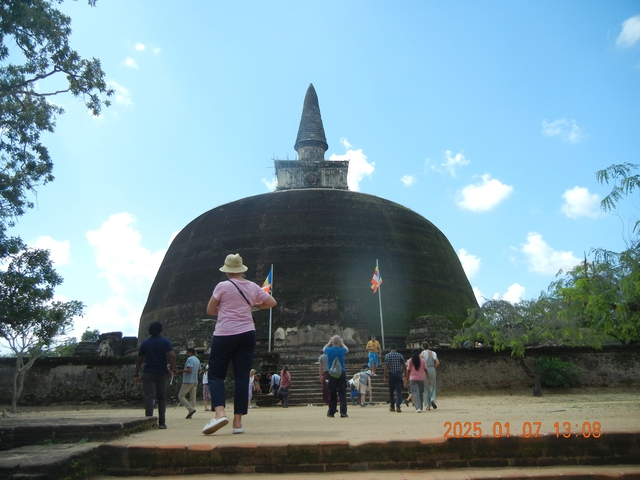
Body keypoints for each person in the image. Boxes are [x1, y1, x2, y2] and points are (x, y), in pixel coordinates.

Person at [202, 253, 277, 435]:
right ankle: (237, 423)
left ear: (227, 271)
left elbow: (210, 310)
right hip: (247, 333)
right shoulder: (252, 287)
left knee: (215, 375)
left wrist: (224, 310)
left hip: (225, 333)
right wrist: (255, 307)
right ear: (241, 269)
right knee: (242, 377)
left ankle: (220, 413)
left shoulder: (222, 286)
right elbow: (272, 302)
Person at [134, 321, 176, 429]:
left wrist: (136, 374)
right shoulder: (165, 342)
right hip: (162, 372)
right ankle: (162, 422)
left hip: (149, 372)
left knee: (149, 397)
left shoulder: (145, 343)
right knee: (161, 397)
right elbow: (172, 355)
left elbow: (139, 360)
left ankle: (149, 421)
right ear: (161, 330)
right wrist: (171, 369)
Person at [323, 335, 349, 418]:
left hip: (332, 373)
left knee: (332, 393)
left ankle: (331, 411)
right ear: (339, 342)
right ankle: (343, 412)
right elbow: (347, 350)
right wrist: (342, 343)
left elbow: (323, 349)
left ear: (332, 342)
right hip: (341, 372)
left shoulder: (329, 350)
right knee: (342, 393)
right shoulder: (341, 350)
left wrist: (328, 343)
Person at [175, 347, 201, 419]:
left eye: (187, 352)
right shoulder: (197, 359)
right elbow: (199, 370)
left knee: (181, 396)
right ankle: (191, 414)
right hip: (195, 380)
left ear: (190, 352)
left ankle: (191, 409)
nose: (186, 354)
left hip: (188, 380)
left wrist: (180, 371)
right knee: (193, 397)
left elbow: (189, 370)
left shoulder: (189, 359)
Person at [404, 348, 431, 413]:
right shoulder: (423, 361)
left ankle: (418, 407)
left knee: (416, 393)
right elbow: (426, 371)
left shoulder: (410, 360)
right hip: (421, 379)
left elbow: (408, 371)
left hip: (413, 379)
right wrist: (429, 379)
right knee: (420, 393)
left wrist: (406, 379)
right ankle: (420, 407)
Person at [384, 344, 406, 413]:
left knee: (391, 391)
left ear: (390, 348)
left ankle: (392, 406)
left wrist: (384, 376)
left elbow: (386, 367)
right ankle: (398, 406)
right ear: (396, 348)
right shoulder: (400, 355)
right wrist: (405, 374)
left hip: (391, 374)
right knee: (398, 391)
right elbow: (404, 365)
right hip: (398, 374)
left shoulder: (387, 356)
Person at [421, 342, 440, 410]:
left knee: (426, 387)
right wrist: (433, 367)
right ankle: (432, 399)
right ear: (429, 346)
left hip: (425, 370)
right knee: (433, 385)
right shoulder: (433, 353)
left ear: (422, 347)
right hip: (432, 369)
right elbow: (437, 363)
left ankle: (428, 405)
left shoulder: (422, 354)